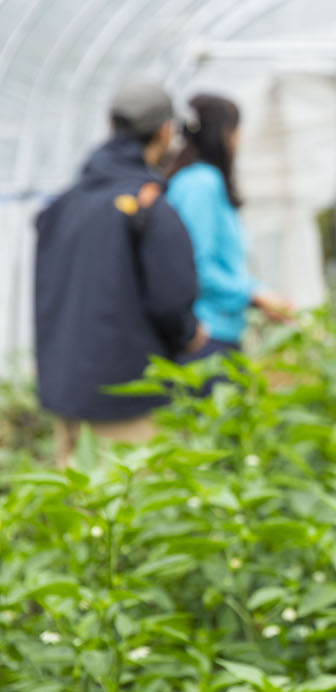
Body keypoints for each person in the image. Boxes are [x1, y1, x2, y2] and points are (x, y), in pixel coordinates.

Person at [34, 82, 208, 467]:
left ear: (112, 125)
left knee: (76, 497)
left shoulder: (63, 205)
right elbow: (172, 298)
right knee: (130, 497)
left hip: (66, 392)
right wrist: (188, 334)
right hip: (125, 397)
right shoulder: (149, 206)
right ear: (165, 131)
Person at [165, 93, 293, 369]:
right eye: (236, 130)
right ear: (224, 134)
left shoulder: (197, 181)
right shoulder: (202, 184)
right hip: (204, 336)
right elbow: (196, 267)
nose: (239, 139)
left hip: (216, 332)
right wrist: (255, 294)